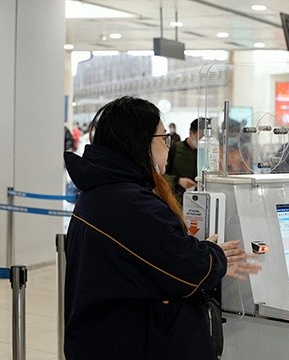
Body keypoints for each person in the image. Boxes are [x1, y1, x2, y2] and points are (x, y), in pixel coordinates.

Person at [62, 96, 261, 360]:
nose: (168, 146)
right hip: (130, 344)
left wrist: (205, 255)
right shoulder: (132, 204)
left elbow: (157, 260)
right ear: (141, 142)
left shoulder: (101, 193)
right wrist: (213, 256)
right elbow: (188, 269)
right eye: (164, 138)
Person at [164, 118, 205, 205]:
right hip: (175, 201)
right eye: (201, 137)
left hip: (197, 203)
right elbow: (161, 176)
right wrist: (178, 180)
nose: (203, 141)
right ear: (191, 133)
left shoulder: (204, 154)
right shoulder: (175, 150)